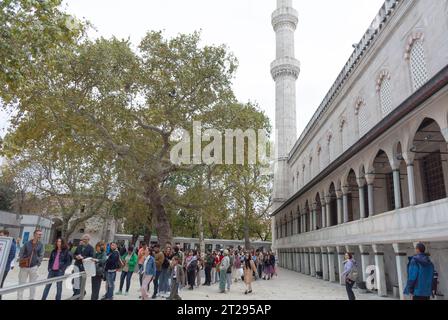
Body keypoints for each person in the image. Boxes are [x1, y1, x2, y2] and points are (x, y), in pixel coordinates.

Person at [17, 229, 44, 300]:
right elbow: (21, 253)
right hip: (24, 266)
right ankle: (19, 298)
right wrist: (22, 261)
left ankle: (31, 298)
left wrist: (38, 264)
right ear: (34, 234)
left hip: (33, 267)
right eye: (39, 234)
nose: (40, 236)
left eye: (40, 234)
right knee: (21, 283)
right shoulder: (27, 243)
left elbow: (41, 255)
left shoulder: (41, 245)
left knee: (33, 284)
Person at [0, 230, 17, 300]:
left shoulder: (12, 244)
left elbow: (12, 256)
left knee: (0, 284)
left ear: (6, 235)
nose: (0, 237)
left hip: (4, 268)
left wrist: (3, 263)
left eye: (1, 235)